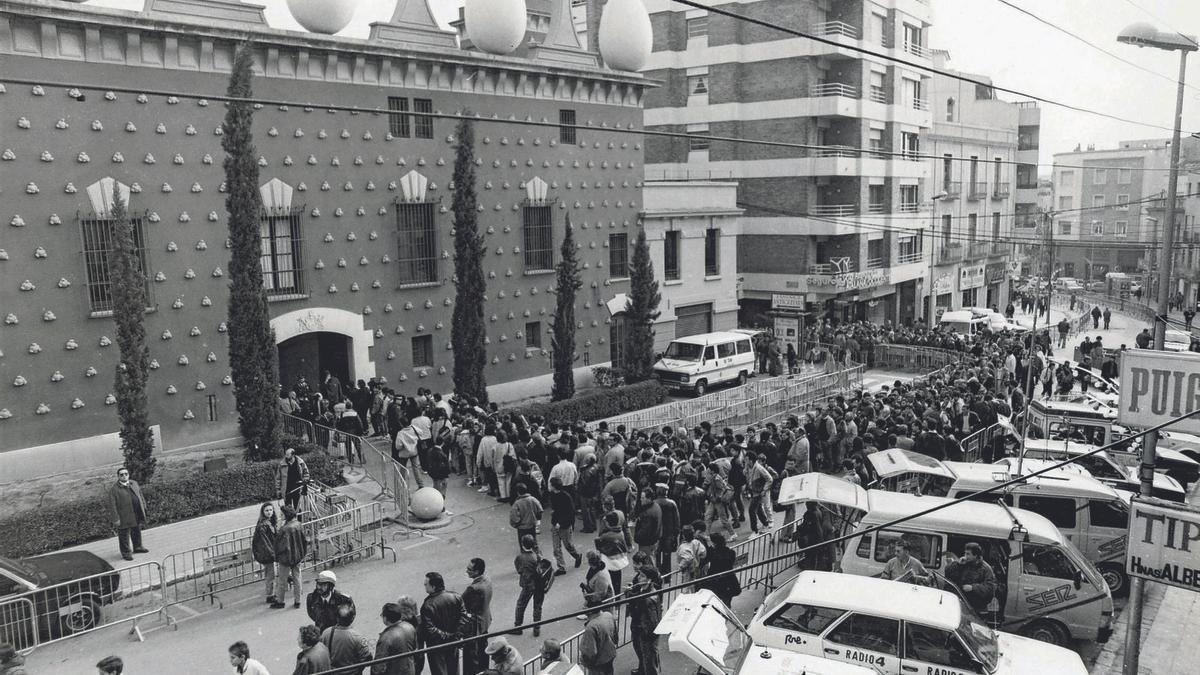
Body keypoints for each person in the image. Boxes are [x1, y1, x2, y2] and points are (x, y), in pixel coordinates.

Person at [625, 551, 663, 675]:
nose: (638, 578)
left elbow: (653, 622)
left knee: (650, 663)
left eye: (641, 576)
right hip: (641, 629)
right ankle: (642, 671)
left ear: (649, 579)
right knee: (644, 657)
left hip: (646, 634)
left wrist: (645, 634)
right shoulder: (643, 590)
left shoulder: (649, 599)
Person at [419, 572, 464, 675]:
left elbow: (430, 629)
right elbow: (464, 618)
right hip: (453, 642)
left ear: (433, 586)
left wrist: (447, 636)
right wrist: (455, 635)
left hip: (436, 646)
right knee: (454, 668)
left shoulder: (427, 605)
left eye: (426, 584)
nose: (424, 586)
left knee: (439, 671)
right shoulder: (456, 597)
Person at [944, 542, 997, 617]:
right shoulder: (964, 563)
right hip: (961, 604)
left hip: (977, 608)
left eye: (968, 554)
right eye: (965, 553)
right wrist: (957, 564)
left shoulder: (986, 569)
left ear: (975, 555)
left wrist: (973, 588)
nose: (965, 556)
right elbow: (948, 573)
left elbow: (990, 588)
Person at [107, 467, 149, 561]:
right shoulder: (114, 490)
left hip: (136, 512)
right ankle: (126, 553)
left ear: (128, 475)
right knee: (124, 535)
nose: (124, 476)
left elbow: (140, 495)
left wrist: (144, 506)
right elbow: (112, 506)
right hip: (123, 516)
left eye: (126, 474)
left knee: (136, 530)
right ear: (118, 476)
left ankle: (138, 547)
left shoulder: (134, 483)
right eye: (121, 474)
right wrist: (116, 519)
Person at [320, 603, 373, 673]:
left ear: (337, 618)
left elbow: (321, 655)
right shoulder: (357, 637)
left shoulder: (326, 633)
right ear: (352, 618)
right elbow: (368, 659)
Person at [274, 504, 308, 609]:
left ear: (286, 515)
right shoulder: (299, 524)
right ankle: (297, 601)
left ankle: (280, 601)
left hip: (286, 558)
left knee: (282, 580)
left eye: (282, 514)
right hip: (297, 556)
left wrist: (277, 556)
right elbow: (304, 541)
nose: (281, 516)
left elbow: (280, 545)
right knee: (297, 578)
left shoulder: (284, 529)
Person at [511, 534, 545, 637]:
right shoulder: (537, 555)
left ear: (522, 544)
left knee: (521, 605)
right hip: (539, 585)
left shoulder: (520, 557)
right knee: (537, 606)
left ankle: (518, 626)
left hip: (528, 585)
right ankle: (536, 628)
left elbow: (519, 570)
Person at [548, 477, 583, 574]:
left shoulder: (566, 497)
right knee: (556, 548)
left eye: (550, 484)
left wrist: (561, 523)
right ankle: (561, 567)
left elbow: (570, 513)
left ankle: (577, 556)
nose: (549, 486)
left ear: (554, 486)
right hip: (555, 524)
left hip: (564, 526)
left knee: (568, 545)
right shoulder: (552, 495)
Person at [372, 602, 418, 675]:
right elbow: (414, 647)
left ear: (386, 618)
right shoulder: (410, 627)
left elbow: (379, 667)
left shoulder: (386, 638)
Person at [578, 595, 618, 675]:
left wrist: (585, 661)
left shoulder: (591, 627)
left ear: (590, 610)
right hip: (610, 655)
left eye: (585, 607)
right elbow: (615, 636)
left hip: (598, 663)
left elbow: (590, 653)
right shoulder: (608, 615)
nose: (582, 608)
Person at [702, 532, 740, 607]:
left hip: (716, 580)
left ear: (714, 543)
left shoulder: (712, 552)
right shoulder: (731, 552)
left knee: (717, 600)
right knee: (727, 600)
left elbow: (705, 560)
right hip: (729, 579)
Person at [252, 503, 278, 606]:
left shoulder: (269, 522)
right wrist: (272, 553)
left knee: (271, 574)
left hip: (270, 552)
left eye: (271, 510)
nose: (269, 512)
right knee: (270, 575)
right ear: (263, 512)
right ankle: (269, 595)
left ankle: (271, 593)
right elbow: (265, 542)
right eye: (267, 510)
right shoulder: (263, 525)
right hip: (267, 554)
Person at [652, 484, 680, 575]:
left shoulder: (654, 503)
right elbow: (676, 520)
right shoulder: (672, 503)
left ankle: (658, 574)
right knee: (667, 556)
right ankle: (667, 575)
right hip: (669, 533)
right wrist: (676, 534)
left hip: (657, 533)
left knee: (657, 555)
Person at [509, 483, 544, 550]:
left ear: (518, 492)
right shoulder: (533, 499)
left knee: (523, 544)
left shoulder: (517, 503)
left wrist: (517, 524)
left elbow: (514, 517)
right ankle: (537, 556)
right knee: (533, 541)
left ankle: (525, 555)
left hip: (522, 528)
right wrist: (537, 519)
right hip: (532, 525)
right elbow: (540, 510)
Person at [632, 487, 662, 562]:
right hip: (654, 540)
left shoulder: (647, 514)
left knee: (646, 563)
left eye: (643, 498)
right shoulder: (656, 506)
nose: (640, 499)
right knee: (651, 560)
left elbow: (644, 532)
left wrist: (636, 537)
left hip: (646, 544)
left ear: (649, 498)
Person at [466, 557, 494, 633]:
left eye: (469, 569)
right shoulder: (487, 579)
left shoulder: (473, 588)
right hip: (486, 618)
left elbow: (463, 603)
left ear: (477, 572)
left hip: (477, 625)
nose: (466, 571)